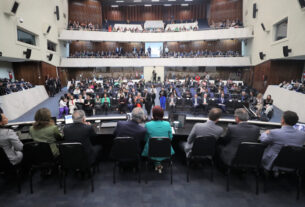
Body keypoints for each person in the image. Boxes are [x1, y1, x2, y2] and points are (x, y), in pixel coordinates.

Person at [142, 106, 174, 173]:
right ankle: (158, 163)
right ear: (162, 114)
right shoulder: (167, 124)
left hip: (151, 152)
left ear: (153, 114)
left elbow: (145, 139)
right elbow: (170, 138)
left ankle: (157, 163)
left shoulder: (147, 125)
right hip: (165, 151)